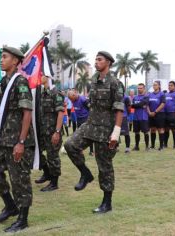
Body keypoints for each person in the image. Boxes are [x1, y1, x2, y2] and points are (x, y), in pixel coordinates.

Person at [64, 51, 124, 214]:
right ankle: (85, 174)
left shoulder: (115, 83)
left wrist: (116, 134)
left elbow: (119, 109)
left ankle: (107, 202)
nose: (96, 62)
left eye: (100, 60)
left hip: (106, 129)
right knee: (70, 144)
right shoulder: (93, 81)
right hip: (90, 124)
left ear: (108, 63)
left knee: (104, 166)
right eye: (95, 59)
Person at [0, 46, 35, 232]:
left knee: (19, 180)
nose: (1, 60)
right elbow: (5, 109)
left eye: (5, 57)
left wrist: (21, 142)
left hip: (17, 140)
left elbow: (27, 112)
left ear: (15, 61)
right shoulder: (4, 82)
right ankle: (11, 205)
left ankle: (23, 219)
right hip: (4, 139)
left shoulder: (20, 82)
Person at [34, 75, 64, 192]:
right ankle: (47, 173)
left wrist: (57, 132)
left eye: (42, 75)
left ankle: (54, 182)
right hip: (42, 131)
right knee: (35, 152)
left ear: (48, 77)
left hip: (52, 132)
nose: (40, 77)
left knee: (53, 157)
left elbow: (61, 113)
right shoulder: (42, 93)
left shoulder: (56, 93)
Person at [68, 90, 94, 155]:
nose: (71, 101)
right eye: (70, 99)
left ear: (75, 95)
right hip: (79, 120)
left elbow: (90, 109)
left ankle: (91, 151)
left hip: (86, 119)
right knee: (80, 136)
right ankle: (80, 150)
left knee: (88, 135)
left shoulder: (83, 100)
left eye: (72, 99)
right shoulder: (73, 100)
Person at [147, 81, 166, 151]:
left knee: (160, 129)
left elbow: (163, 104)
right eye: (153, 85)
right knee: (152, 129)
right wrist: (149, 112)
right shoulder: (150, 94)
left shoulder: (162, 94)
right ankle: (152, 146)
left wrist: (155, 111)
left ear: (159, 86)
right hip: (151, 114)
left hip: (159, 114)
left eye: (155, 85)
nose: (154, 86)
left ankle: (161, 146)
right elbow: (147, 104)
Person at [131, 83, 150, 151]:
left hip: (143, 117)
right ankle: (137, 146)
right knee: (136, 132)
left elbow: (142, 103)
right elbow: (132, 106)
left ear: (144, 88)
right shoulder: (135, 97)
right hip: (136, 118)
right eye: (138, 88)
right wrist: (138, 105)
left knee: (146, 132)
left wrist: (135, 105)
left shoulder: (146, 96)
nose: (139, 89)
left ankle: (147, 147)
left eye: (141, 88)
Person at [163, 81, 175, 149]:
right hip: (166, 114)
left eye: (171, 85)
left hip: (172, 114)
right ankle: (165, 144)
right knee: (166, 130)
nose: (169, 86)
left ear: (174, 86)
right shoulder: (166, 94)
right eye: (169, 85)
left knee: (174, 129)